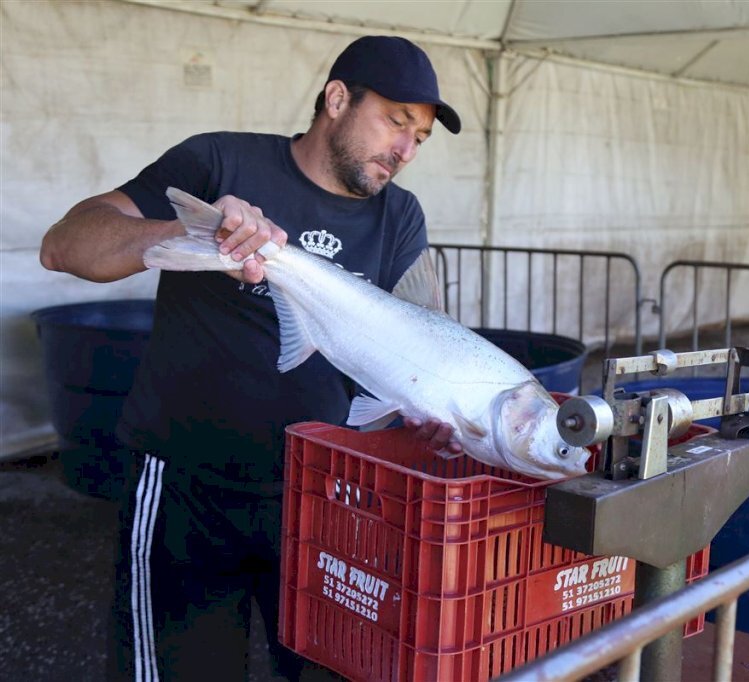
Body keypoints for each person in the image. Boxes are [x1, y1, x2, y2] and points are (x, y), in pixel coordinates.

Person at [40, 35, 463, 680]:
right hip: (187, 486)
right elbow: (64, 245)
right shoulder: (221, 161)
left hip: (324, 495)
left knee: (327, 670)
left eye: (421, 138)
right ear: (337, 98)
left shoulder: (400, 216)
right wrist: (190, 231)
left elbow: (414, 347)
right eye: (396, 122)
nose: (404, 150)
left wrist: (423, 413)